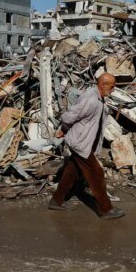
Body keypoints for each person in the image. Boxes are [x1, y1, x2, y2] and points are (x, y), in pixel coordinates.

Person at [48, 73, 125, 220]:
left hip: (84, 142)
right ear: (102, 85)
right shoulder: (91, 100)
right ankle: (106, 210)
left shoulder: (98, 97)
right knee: (96, 173)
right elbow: (70, 116)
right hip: (80, 143)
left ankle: (56, 200)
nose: (114, 89)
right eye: (112, 86)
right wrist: (63, 129)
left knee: (73, 171)